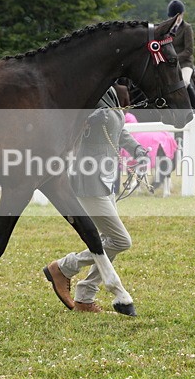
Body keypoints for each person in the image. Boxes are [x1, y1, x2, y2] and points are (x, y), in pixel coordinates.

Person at [43, 85, 147, 313]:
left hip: (106, 179)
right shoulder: (85, 90)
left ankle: (85, 296)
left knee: (108, 240)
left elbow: (118, 131)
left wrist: (137, 148)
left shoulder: (108, 91)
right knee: (120, 240)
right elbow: (67, 120)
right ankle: (63, 267)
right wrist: (88, 117)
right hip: (88, 181)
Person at [167, 0, 195, 87]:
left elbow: (189, 50)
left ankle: (192, 101)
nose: (174, 19)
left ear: (181, 14)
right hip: (168, 64)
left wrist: (174, 58)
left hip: (184, 64)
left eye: (177, 16)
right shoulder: (165, 28)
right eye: (172, 17)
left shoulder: (186, 28)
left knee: (185, 82)